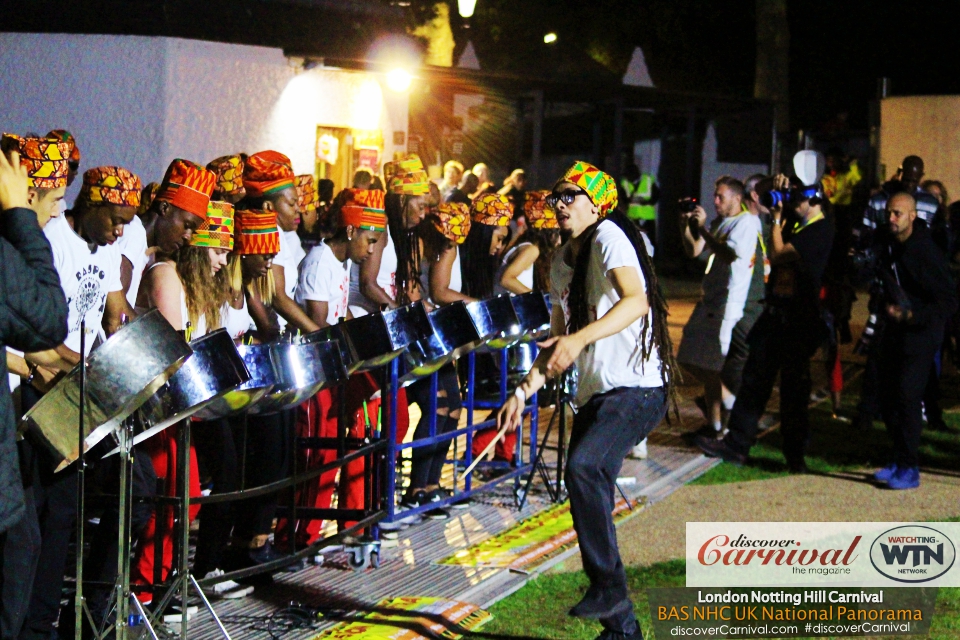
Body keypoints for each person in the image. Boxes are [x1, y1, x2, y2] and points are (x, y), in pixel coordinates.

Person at [498, 161, 675, 640]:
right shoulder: (559, 265)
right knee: (585, 487)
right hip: (599, 394)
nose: (559, 205)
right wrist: (522, 392)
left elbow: (636, 300)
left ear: (596, 204)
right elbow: (558, 344)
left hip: (638, 388)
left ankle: (609, 588)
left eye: (570, 196)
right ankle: (622, 628)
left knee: (582, 468)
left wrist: (579, 342)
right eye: (556, 197)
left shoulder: (610, 235)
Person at [16, 165, 142, 639]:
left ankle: (87, 609)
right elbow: (36, 333)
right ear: (90, 206)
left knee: (129, 484)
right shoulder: (52, 243)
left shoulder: (106, 249)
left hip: (83, 387)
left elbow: (115, 311)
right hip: (46, 384)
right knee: (47, 516)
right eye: (114, 218)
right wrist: (78, 368)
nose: (121, 231)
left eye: (128, 221)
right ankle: (36, 622)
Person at [697, 154, 835, 473]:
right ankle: (736, 446)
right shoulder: (799, 221)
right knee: (754, 383)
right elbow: (769, 194)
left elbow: (780, 255)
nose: (789, 203)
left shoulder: (820, 229)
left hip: (799, 320)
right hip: (775, 315)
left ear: (812, 198)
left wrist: (775, 218)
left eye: (795, 197)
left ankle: (794, 456)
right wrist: (778, 186)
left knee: (793, 392)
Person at [278, 188, 389, 544]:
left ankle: (323, 532)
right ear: (352, 231)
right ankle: (296, 539)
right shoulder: (320, 261)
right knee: (318, 456)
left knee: (346, 446)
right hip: (315, 373)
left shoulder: (339, 263)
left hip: (334, 370)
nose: (371, 251)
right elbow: (319, 325)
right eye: (370, 242)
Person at [0, 142, 69, 640]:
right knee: (21, 544)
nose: (59, 209)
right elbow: (46, 320)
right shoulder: (16, 244)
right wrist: (20, 219)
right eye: (44, 197)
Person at [872, 193, 957, 489]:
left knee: (908, 397)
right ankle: (897, 458)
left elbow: (947, 301)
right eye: (889, 213)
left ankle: (909, 467)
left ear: (912, 216)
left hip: (921, 333)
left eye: (897, 213)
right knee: (888, 397)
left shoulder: (925, 251)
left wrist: (912, 315)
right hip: (896, 330)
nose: (891, 218)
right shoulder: (889, 243)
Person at [854, 156, 941, 431]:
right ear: (900, 172)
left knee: (917, 362)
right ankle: (868, 412)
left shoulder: (928, 204)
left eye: (916, 180)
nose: (910, 183)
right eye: (907, 178)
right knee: (878, 356)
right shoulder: (881, 201)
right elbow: (865, 237)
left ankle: (928, 415)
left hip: (916, 292)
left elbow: (938, 242)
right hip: (887, 289)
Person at [676, 177, 759, 437]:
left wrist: (703, 229)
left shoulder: (746, 222)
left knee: (712, 365)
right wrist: (686, 226)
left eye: (720, 197)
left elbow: (728, 254)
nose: (715, 201)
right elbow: (694, 251)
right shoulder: (719, 222)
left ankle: (722, 420)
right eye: (714, 196)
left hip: (727, 305)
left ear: (737, 198)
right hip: (708, 301)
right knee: (688, 358)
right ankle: (718, 417)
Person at [241, 150, 318, 339]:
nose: (298, 209)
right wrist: (319, 334)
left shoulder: (281, 233)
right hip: (259, 336)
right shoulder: (270, 232)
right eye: (291, 204)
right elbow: (277, 296)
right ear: (269, 207)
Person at [496, 190, 560, 295]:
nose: (561, 239)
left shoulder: (523, 243)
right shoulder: (531, 250)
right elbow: (506, 280)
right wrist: (539, 301)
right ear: (549, 232)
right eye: (558, 232)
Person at [620, 162, 659, 246]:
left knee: (650, 241)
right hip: (633, 216)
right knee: (634, 241)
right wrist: (628, 200)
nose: (628, 178)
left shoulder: (647, 180)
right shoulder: (625, 183)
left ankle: (653, 258)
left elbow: (657, 195)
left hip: (647, 217)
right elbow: (623, 197)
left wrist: (646, 202)